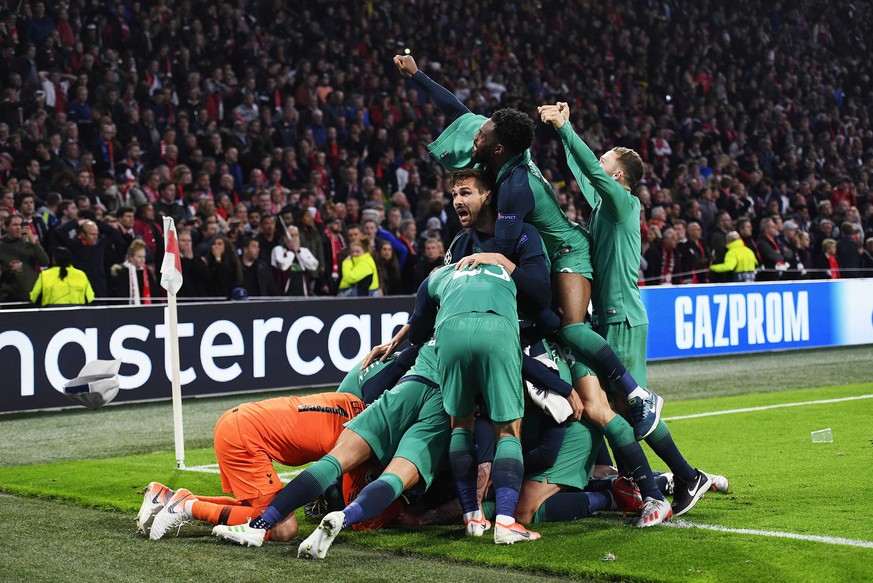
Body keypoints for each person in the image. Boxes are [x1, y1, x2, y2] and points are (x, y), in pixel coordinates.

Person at [394, 54, 663, 441]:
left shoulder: (516, 187)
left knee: (568, 329)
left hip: (570, 254)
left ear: (497, 148)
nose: (475, 137)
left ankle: (636, 394)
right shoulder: (506, 155)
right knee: (560, 337)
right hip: (553, 254)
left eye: (481, 137)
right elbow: (458, 110)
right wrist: (417, 75)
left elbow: (503, 252)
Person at [540, 102, 713, 518]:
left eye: (605, 161)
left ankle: (687, 477)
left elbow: (592, 172)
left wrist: (566, 129)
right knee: (605, 407)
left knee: (632, 411)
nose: (597, 165)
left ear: (618, 176)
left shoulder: (622, 203)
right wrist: (566, 132)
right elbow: (586, 173)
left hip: (623, 319)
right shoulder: (605, 204)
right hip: (609, 318)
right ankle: (649, 481)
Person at [213, 342, 450, 555]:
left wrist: (403, 339)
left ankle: (249, 519)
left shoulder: (434, 322)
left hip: (403, 389)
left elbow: (420, 318)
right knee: (394, 480)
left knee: (336, 462)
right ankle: (342, 516)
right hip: (435, 402)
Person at [141, 391, 368, 542]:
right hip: (245, 437)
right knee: (283, 528)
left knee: (250, 507)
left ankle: (167, 497)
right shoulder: (362, 439)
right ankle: (188, 507)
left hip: (239, 421)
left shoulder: (350, 399)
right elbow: (356, 511)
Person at [0, 213, 50, 302]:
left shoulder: (29, 244)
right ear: (7, 228)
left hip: (33, 294)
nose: (18, 228)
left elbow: (45, 262)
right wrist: (10, 269)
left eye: (20, 225)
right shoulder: (2, 246)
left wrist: (34, 242)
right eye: (15, 225)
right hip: (10, 296)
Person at [29, 246, 94, 306]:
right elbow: (90, 297)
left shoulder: (45, 275)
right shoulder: (81, 275)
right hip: (77, 315)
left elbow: (33, 297)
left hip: (51, 315)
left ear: (54, 260)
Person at [272, 224, 319, 296]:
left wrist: (298, 252)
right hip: (284, 294)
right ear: (285, 238)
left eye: (296, 235)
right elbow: (282, 266)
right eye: (291, 235)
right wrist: (291, 251)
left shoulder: (304, 251)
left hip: (302, 292)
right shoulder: (278, 250)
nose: (294, 238)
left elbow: (314, 266)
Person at [111, 239, 159, 304]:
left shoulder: (146, 272)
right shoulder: (122, 273)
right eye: (139, 257)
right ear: (130, 258)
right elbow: (121, 296)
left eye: (144, 257)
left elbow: (154, 293)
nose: (143, 260)